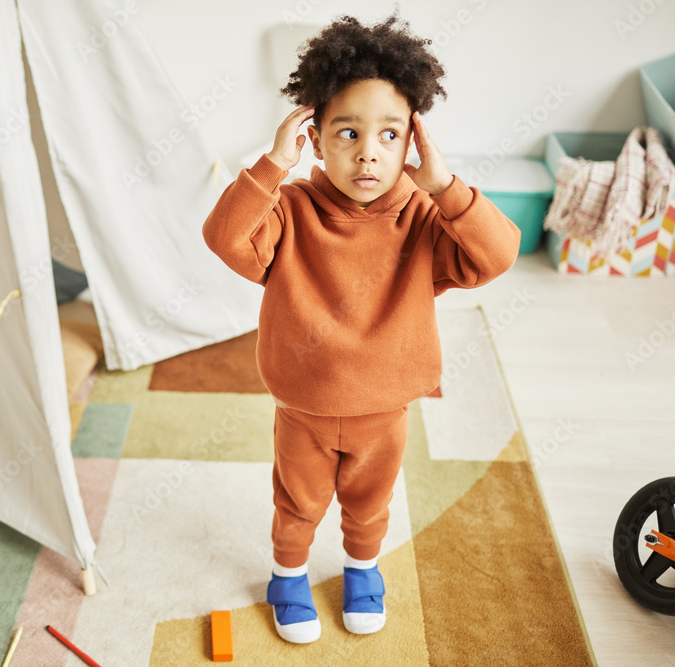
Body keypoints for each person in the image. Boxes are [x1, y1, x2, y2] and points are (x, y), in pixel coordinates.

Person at [202, 13, 521, 644]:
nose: (368, 151)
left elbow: (498, 255)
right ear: (316, 139)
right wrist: (271, 166)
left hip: (386, 412)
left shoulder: (428, 217)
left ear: (412, 144)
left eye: (388, 135)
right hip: (304, 410)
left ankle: (361, 570)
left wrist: (446, 187)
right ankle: (287, 576)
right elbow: (224, 238)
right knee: (297, 504)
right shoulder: (289, 210)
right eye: (347, 132)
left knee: (370, 505)